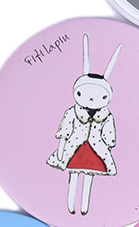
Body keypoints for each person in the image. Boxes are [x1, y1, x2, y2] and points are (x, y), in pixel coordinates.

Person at [47, 34, 121, 216]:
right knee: (73, 175)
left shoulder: (106, 116)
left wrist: (108, 144)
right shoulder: (72, 113)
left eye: (101, 97)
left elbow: (109, 136)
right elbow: (65, 131)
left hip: (94, 150)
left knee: (88, 177)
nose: (91, 100)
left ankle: (84, 208)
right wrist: (61, 150)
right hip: (75, 148)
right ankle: (70, 205)